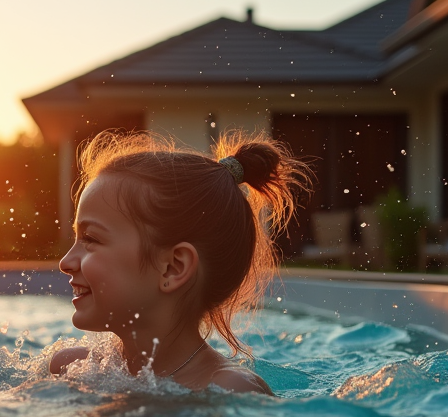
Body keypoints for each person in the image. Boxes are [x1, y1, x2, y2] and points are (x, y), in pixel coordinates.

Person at [49, 130, 310, 394]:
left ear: (173, 268)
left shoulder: (228, 389)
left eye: (91, 239)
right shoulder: (71, 368)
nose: (66, 262)